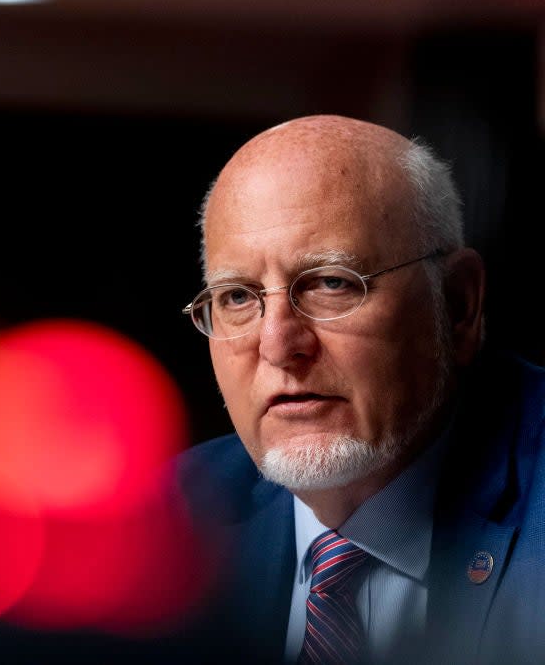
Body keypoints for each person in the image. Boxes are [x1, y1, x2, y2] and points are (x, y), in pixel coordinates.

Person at [176, 115, 545, 664]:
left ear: (460, 305)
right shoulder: (165, 526)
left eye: (331, 283)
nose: (278, 345)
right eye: (236, 297)